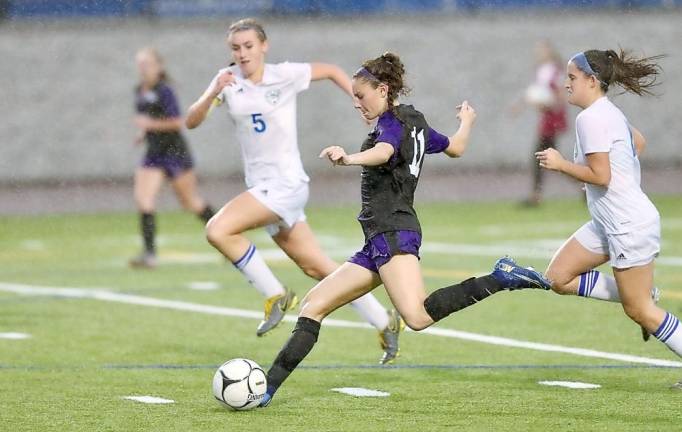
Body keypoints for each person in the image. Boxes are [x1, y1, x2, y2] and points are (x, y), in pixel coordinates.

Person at [259, 52, 552, 407]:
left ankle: (500, 277)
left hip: (393, 232)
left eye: (360, 95)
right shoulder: (416, 122)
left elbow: (383, 152)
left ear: (383, 89)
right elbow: (456, 148)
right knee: (313, 305)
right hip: (379, 238)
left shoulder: (392, 124)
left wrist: (349, 157)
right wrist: (467, 121)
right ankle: (266, 389)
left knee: (416, 315)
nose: (356, 103)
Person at [185, 19, 402, 363]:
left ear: (264, 46)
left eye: (248, 46)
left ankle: (275, 295)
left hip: (285, 185)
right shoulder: (226, 81)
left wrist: (361, 103)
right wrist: (214, 91)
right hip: (263, 189)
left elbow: (331, 70)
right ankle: (384, 320)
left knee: (218, 229)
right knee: (319, 268)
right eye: (236, 48)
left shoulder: (283, 75)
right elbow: (191, 121)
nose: (242, 54)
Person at [536, 49, 681, 389]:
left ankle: (644, 297)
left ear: (592, 81)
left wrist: (561, 165)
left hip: (628, 225)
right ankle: (646, 292)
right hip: (608, 222)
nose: (566, 83)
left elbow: (601, 176)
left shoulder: (592, 118)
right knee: (558, 277)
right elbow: (638, 143)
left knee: (640, 312)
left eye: (572, 78)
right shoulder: (605, 112)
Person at [131, 47, 215, 268]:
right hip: (154, 153)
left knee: (190, 202)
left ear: (159, 67)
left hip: (174, 152)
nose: (143, 69)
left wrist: (149, 125)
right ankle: (149, 254)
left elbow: (177, 122)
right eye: (140, 64)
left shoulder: (165, 91)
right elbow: (148, 119)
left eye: (147, 64)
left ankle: (225, 233)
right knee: (143, 199)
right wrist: (142, 134)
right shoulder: (139, 90)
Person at [514, 40, 568, 206]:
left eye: (542, 50)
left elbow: (559, 97)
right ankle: (584, 185)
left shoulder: (554, 71)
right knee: (547, 157)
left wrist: (547, 104)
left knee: (541, 157)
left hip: (553, 120)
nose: (539, 53)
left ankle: (535, 196)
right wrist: (521, 105)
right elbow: (536, 92)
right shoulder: (543, 71)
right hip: (547, 119)